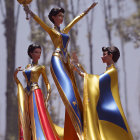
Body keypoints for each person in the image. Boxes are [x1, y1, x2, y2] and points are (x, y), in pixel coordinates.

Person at [19, 2, 98, 140]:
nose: (61, 17)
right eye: (59, 16)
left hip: (66, 61)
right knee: (68, 92)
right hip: (57, 61)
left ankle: (76, 131)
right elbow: (40, 21)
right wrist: (29, 11)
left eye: (62, 15)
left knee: (73, 93)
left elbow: (76, 19)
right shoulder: (52, 31)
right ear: (53, 17)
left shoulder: (65, 30)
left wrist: (88, 10)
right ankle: (78, 131)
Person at [72, 46, 133, 140]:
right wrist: (79, 67)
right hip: (103, 108)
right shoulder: (108, 70)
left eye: (104, 54)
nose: (102, 57)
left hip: (109, 109)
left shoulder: (112, 71)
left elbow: (96, 81)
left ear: (110, 56)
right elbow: (94, 80)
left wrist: (79, 70)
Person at [14, 44, 60, 140]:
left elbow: (47, 83)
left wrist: (47, 99)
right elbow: (22, 80)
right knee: (26, 118)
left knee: (37, 116)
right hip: (27, 92)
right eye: (36, 52)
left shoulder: (41, 67)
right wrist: (15, 76)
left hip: (36, 92)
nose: (38, 55)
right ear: (31, 53)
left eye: (40, 52)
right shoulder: (27, 66)